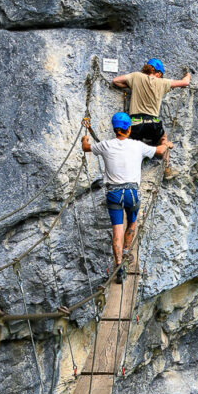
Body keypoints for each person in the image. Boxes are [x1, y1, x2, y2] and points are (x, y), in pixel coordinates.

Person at [82, 112, 172, 282]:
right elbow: (160, 150)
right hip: (131, 193)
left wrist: (85, 138)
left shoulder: (105, 145)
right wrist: (166, 143)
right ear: (129, 128)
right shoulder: (137, 146)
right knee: (132, 222)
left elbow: (86, 148)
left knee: (117, 228)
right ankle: (125, 254)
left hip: (114, 194)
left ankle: (118, 266)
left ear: (115, 129)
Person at [112, 59, 191, 177]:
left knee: (130, 144)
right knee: (163, 139)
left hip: (135, 123)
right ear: (158, 73)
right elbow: (185, 83)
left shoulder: (136, 76)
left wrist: (130, 86)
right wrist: (188, 75)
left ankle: (126, 169)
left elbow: (115, 81)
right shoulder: (162, 82)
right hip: (152, 123)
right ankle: (167, 168)